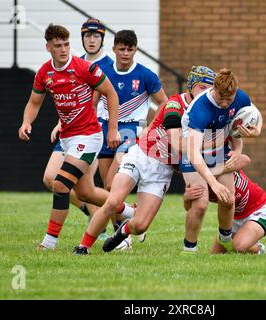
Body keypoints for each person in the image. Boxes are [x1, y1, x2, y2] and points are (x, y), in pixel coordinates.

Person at [72, 66, 217, 255]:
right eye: (202, 88)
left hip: (161, 172)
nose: (206, 94)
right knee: (113, 201)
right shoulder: (175, 104)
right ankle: (83, 247)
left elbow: (187, 155)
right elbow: (179, 144)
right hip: (141, 155)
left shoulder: (207, 115)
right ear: (191, 87)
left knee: (140, 226)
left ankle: (124, 229)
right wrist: (215, 141)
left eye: (210, 90)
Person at [18, 24, 134, 251]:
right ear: (48, 47)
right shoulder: (45, 73)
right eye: (58, 45)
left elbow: (111, 93)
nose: (63, 50)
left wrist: (112, 129)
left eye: (66, 44)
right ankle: (130, 212)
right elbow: (34, 102)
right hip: (68, 137)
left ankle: (49, 243)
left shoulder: (84, 68)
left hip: (89, 135)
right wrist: (26, 122)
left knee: (60, 184)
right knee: (85, 193)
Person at [42, 19, 114, 239]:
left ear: (103, 39)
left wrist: (114, 129)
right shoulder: (72, 62)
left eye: (96, 36)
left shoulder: (110, 65)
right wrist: (60, 122)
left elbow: (113, 97)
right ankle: (95, 214)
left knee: (69, 183)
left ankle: (113, 228)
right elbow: (71, 100)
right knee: (53, 180)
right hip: (69, 131)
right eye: (87, 36)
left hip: (93, 131)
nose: (91, 40)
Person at [180, 68, 263, 253]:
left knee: (228, 199)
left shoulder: (240, 97)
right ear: (214, 90)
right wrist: (213, 183)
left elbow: (256, 113)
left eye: (229, 100)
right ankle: (189, 249)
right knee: (200, 202)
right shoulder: (200, 109)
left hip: (218, 147)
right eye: (221, 99)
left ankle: (225, 238)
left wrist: (256, 131)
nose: (225, 104)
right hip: (193, 149)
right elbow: (193, 153)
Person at [95, 29, 168, 193]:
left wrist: (151, 127)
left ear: (135, 49)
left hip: (131, 130)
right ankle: (124, 218)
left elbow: (164, 102)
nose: (126, 53)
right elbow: (93, 103)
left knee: (111, 184)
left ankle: (129, 215)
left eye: (130, 49)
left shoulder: (145, 75)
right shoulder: (103, 71)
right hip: (106, 128)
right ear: (114, 49)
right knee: (107, 189)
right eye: (122, 49)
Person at [184, 160, 266, 254]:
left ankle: (258, 248)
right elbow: (191, 209)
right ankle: (244, 239)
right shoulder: (197, 182)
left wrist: (218, 170)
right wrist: (186, 199)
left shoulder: (220, 163)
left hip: (259, 209)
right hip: (233, 217)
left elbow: (245, 159)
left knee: (238, 247)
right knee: (215, 256)